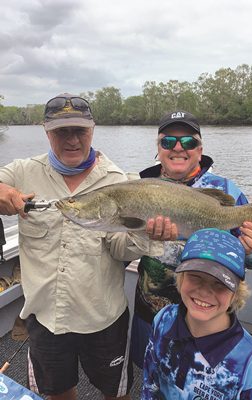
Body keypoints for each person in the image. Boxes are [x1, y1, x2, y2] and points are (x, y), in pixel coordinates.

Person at [0, 93, 177, 400]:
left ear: (93, 130)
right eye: (61, 132)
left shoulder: (117, 180)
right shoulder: (21, 171)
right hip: (45, 318)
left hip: (103, 318)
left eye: (79, 131)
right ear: (46, 131)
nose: (72, 140)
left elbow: (120, 249)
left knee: (117, 393)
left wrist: (147, 235)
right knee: (56, 393)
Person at [131, 110, 252, 368]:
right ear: (158, 147)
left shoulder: (227, 191)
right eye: (168, 141)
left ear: (200, 148)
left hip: (208, 316)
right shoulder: (140, 186)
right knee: (151, 375)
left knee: (200, 382)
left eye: (188, 142)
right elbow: (122, 243)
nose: (178, 148)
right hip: (150, 310)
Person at [142, 228, 252, 399]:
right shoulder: (163, 319)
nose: (205, 292)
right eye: (195, 277)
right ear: (180, 278)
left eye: (220, 283)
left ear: (236, 292)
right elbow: (150, 383)